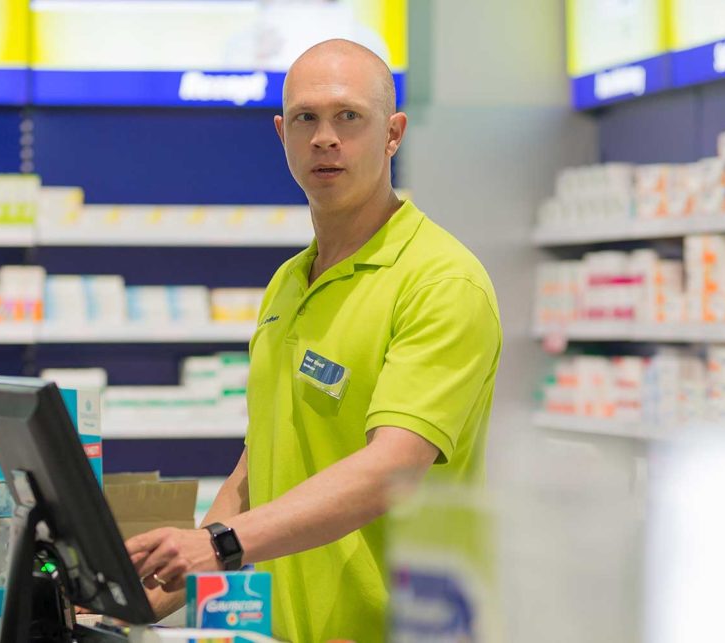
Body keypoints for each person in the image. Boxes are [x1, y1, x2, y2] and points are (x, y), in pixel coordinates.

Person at [126, 38, 501, 643]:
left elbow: (392, 469)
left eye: (348, 116)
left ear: (393, 133)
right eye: (306, 119)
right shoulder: (287, 284)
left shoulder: (441, 282)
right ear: (282, 134)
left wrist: (219, 547)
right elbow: (257, 469)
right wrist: (155, 589)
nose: (325, 137)